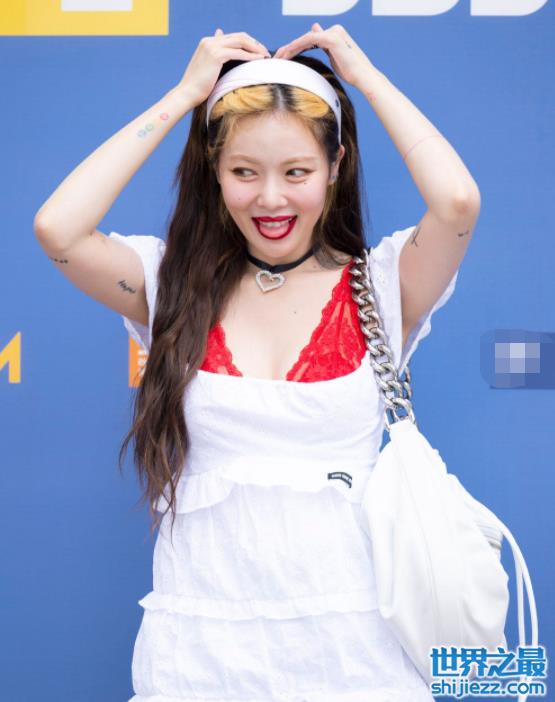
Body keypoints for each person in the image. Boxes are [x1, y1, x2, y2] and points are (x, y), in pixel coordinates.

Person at [34, 22, 480, 702]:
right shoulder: (169, 286)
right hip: (199, 655)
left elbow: (457, 202)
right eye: (244, 172)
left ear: (335, 167)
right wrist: (184, 96)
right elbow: (58, 228)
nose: (270, 199)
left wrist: (362, 78)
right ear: (214, 173)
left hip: (359, 654)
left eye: (297, 172)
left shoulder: (385, 284)